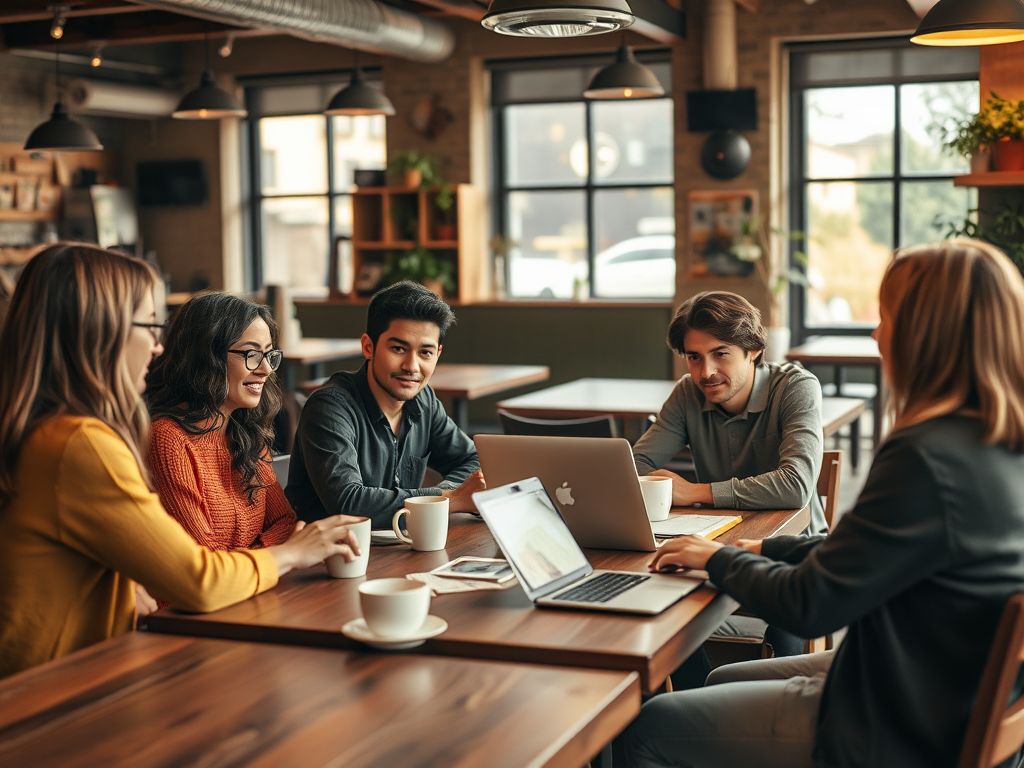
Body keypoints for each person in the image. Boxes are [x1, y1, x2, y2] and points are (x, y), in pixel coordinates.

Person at [623, 239, 1024, 768]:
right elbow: (865, 554)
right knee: (718, 679)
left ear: (926, 335)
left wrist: (720, 558)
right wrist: (766, 546)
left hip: (895, 716)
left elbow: (810, 605)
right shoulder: (991, 441)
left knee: (648, 726)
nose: (877, 333)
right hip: (940, 683)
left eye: (886, 318)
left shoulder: (924, 456)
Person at [0, 243, 360, 679]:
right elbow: (199, 580)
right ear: (99, 331)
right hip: (57, 690)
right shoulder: (82, 442)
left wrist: (120, 584)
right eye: (148, 327)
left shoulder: (45, 432)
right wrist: (290, 555)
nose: (156, 348)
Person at [286, 280, 483, 529]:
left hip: (399, 548)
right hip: (330, 558)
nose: (412, 366)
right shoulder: (329, 407)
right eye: (399, 348)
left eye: (425, 353)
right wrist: (449, 499)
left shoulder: (423, 400)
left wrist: (445, 495)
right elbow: (348, 503)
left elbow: (473, 460)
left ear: (438, 354)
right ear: (369, 347)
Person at [632, 290, 825, 533]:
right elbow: (635, 467)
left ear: (753, 350)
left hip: (792, 546)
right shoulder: (686, 393)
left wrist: (695, 492)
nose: (706, 372)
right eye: (694, 357)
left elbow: (795, 485)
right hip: (716, 537)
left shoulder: (795, 387)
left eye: (720, 353)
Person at [145, 293, 298, 562]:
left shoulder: (247, 433)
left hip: (253, 591)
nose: (266, 370)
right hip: (192, 603)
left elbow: (286, 522)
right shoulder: (167, 439)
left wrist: (259, 559)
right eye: (251, 354)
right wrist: (279, 555)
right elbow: (205, 561)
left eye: (268, 355)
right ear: (206, 357)